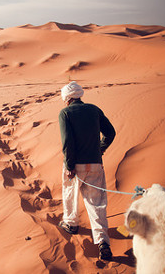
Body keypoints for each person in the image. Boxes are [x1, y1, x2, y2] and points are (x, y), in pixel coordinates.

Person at [58, 81, 116, 261]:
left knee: (70, 193)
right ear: (79, 95)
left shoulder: (65, 113)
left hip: (75, 164)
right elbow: (110, 133)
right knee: (96, 203)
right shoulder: (94, 110)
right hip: (95, 164)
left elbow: (67, 142)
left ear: (66, 98)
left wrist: (69, 166)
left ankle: (71, 224)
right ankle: (103, 242)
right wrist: (100, 149)